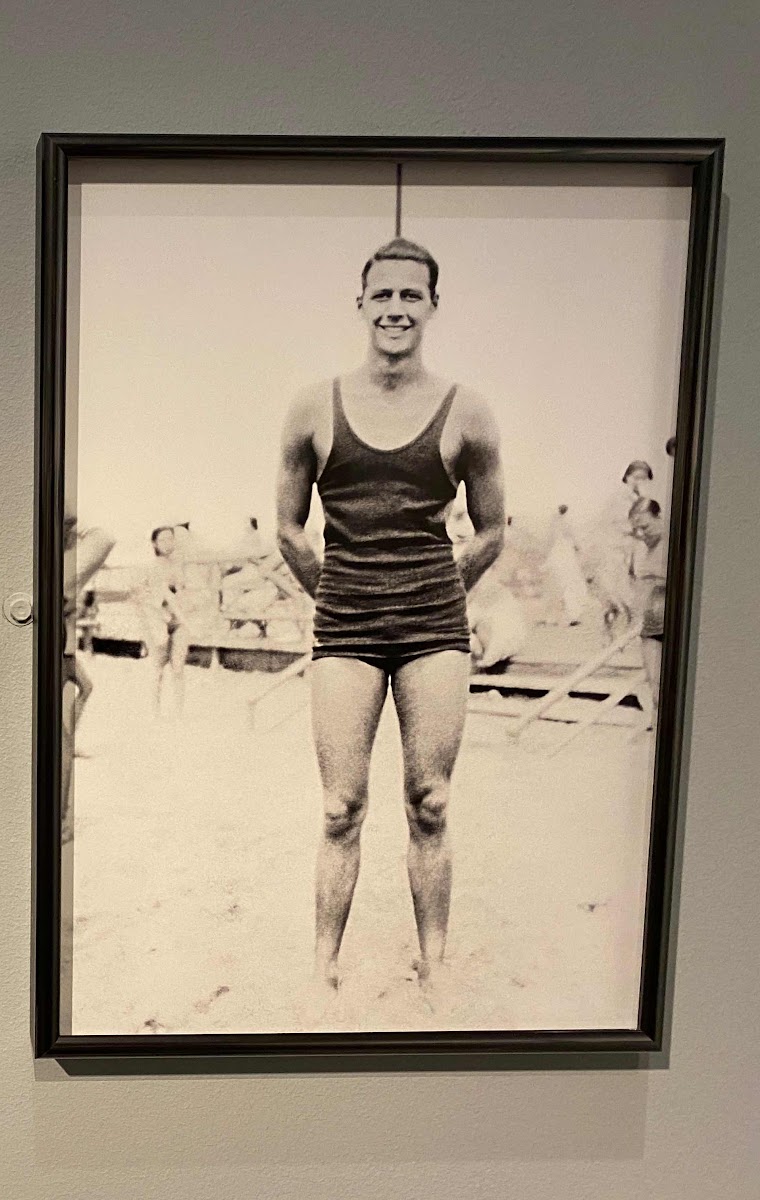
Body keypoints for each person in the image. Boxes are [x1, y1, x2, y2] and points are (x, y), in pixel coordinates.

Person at [276, 237, 505, 998]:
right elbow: (288, 528)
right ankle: (322, 969)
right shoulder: (314, 406)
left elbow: (493, 529)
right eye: (384, 294)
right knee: (340, 807)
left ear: (433, 306)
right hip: (345, 626)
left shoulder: (467, 410)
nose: (397, 308)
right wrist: (340, 592)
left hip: (433, 628)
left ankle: (434, 965)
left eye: (412, 295)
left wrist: (437, 588)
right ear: (362, 304)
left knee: (429, 802)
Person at [61, 516, 115, 829]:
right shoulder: (63, 572)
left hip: (65, 650)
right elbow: (105, 538)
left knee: (86, 689)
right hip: (62, 652)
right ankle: (61, 819)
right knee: (61, 741)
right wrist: (75, 523)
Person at [142, 525, 196, 717]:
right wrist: (185, 619)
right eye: (162, 540)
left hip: (177, 620)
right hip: (158, 621)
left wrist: (185, 614)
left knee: (178, 667)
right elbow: (166, 596)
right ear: (154, 543)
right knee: (158, 668)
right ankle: (154, 712)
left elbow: (182, 592)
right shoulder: (152, 567)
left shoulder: (179, 565)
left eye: (170, 539)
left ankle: (178, 712)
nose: (167, 543)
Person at [626, 497, 668, 725]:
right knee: (655, 680)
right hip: (650, 621)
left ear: (659, 518)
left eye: (645, 527)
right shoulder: (643, 550)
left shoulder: (677, 541)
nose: (641, 534)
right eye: (636, 530)